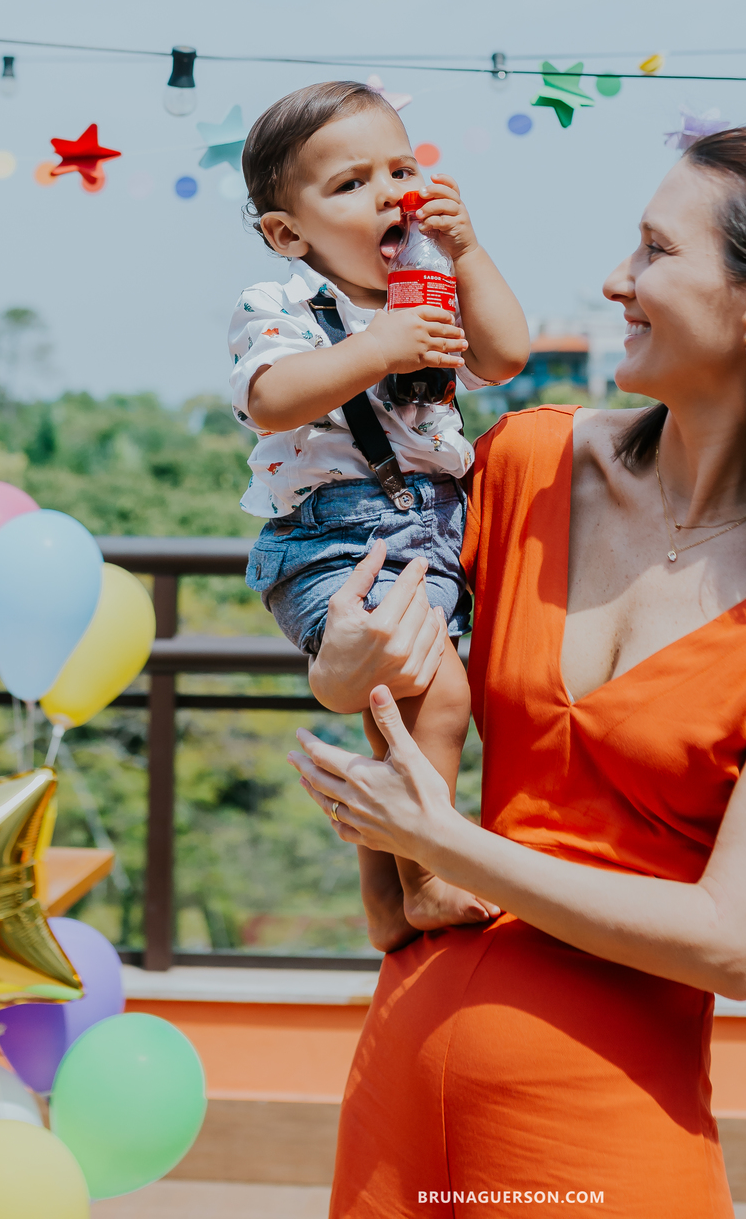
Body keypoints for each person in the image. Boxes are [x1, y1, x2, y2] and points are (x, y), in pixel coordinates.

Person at [291, 124, 746, 1218]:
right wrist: (341, 674)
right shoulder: (525, 465)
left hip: (600, 1132)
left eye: (655, 251)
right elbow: (385, 700)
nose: (614, 279)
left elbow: (736, 943)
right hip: (399, 1094)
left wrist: (446, 844)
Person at [231, 79, 529, 943]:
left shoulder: (427, 290)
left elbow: (505, 357)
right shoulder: (282, 307)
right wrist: (379, 346)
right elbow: (272, 399)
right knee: (436, 693)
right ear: (289, 234)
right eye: (351, 183)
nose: (391, 193)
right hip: (337, 539)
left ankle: (387, 905)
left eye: (402, 169)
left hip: (435, 531)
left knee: (395, 717)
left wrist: (468, 252)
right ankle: (428, 874)